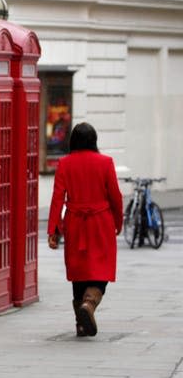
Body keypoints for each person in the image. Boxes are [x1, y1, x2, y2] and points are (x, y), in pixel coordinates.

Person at [47, 122, 123, 337]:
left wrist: (54, 229)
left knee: (78, 270)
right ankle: (89, 305)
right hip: (101, 221)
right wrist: (118, 221)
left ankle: (80, 324)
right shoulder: (106, 162)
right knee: (102, 268)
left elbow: (57, 198)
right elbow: (115, 196)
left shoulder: (64, 163)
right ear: (94, 140)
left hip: (75, 223)